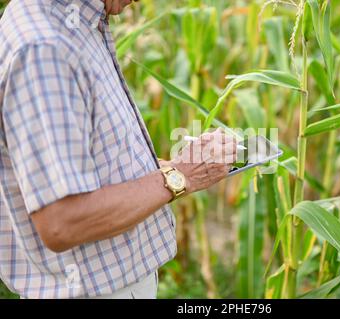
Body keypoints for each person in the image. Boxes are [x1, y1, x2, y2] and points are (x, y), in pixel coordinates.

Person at [0, 0, 236, 299]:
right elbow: (62, 221)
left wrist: (181, 165)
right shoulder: (45, 50)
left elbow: (96, 166)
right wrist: (180, 176)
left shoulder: (74, 24)